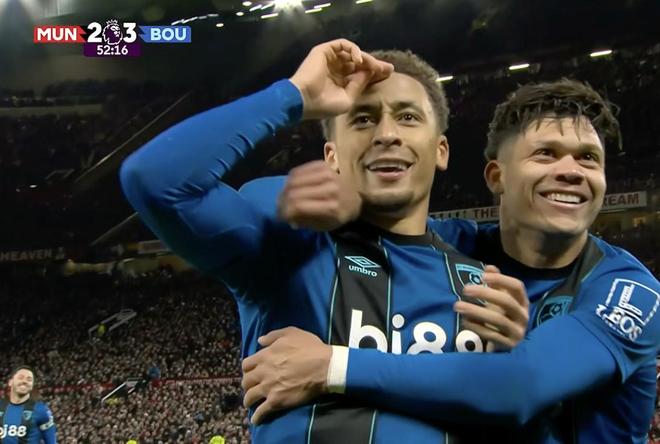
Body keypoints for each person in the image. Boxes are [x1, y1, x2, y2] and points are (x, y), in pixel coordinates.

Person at [120, 39, 529, 443]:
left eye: (407, 117)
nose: (387, 134)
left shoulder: (485, 280)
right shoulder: (286, 248)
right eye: (363, 119)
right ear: (331, 156)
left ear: (440, 150)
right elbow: (156, 181)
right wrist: (293, 95)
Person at [241, 79, 660, 443]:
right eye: (546, 154)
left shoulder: (629, 290)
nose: (572, 171)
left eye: (589, 158)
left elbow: (522, 384)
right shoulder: (456, 246)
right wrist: (345, 198)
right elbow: (259, 202)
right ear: (496, 177)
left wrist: (333, 365)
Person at [1, 366, 57, 444]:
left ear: (32, 385)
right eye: (20, 377)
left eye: (29, 379)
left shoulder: (41, 410)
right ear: (10, 382)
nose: (24, 381)